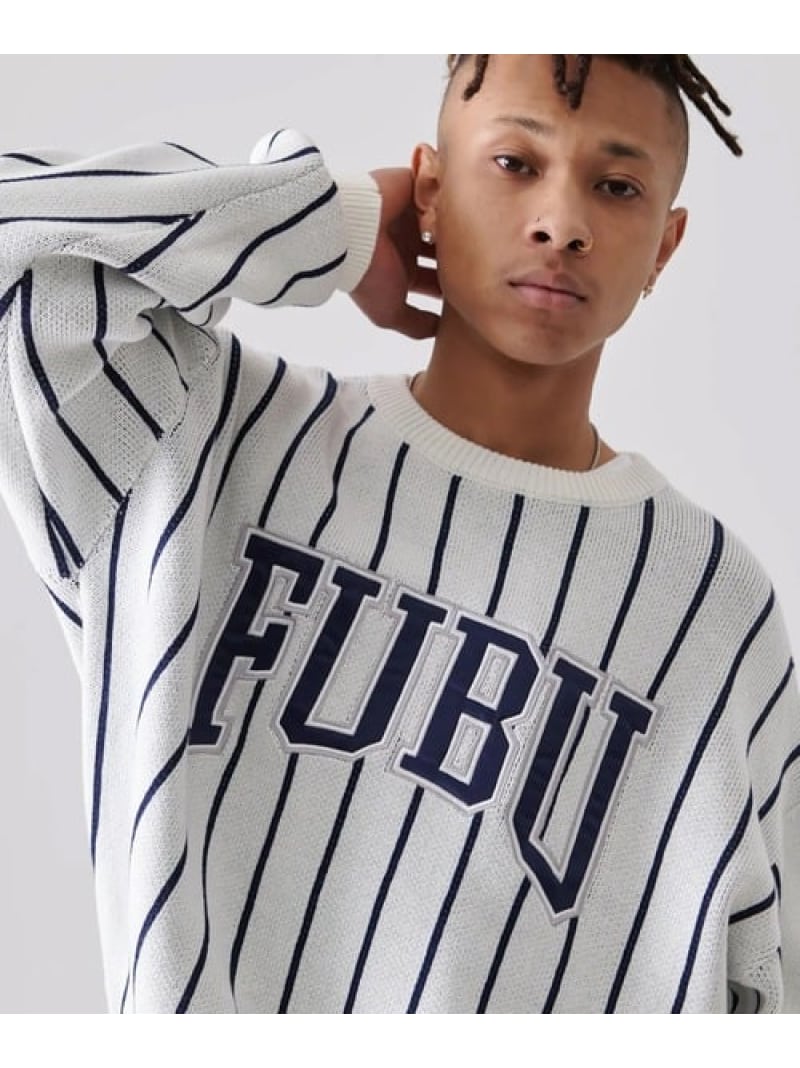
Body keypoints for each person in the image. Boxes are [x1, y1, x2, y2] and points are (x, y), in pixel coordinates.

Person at [0, 54, 797, 1014]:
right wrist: (323, 223)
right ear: (429, 190)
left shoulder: (711, 612)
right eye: (515, 163)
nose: (562, 223)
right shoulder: (197, 434)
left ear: (665, 246)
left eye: (617, 186)